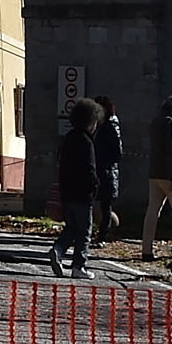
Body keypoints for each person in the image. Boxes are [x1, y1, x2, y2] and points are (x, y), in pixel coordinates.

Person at [141, 94, 172, 261]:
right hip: (168, 173)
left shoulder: (156, 122)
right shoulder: (170, 123)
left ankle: (146, 250)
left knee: (152, 211)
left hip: (153, 173)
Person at [51, 100, 100, 276]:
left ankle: (58, 249)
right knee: (85, 230)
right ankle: (79, 266)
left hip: (67, 192)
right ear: (90, 121)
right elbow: (90, 170)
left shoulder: (68, 139)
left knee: (71, 227)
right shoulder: (87, 142)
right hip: (83, 194)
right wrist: (95, 187)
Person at [90, 94, 126, 241]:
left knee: (105, 205)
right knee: (100, 204)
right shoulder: (102, 126)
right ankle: (102, 232)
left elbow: (117, 152)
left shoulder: (110, 125)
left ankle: (104, 234)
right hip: (100, 169)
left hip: (107, 171)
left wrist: (104, 163)